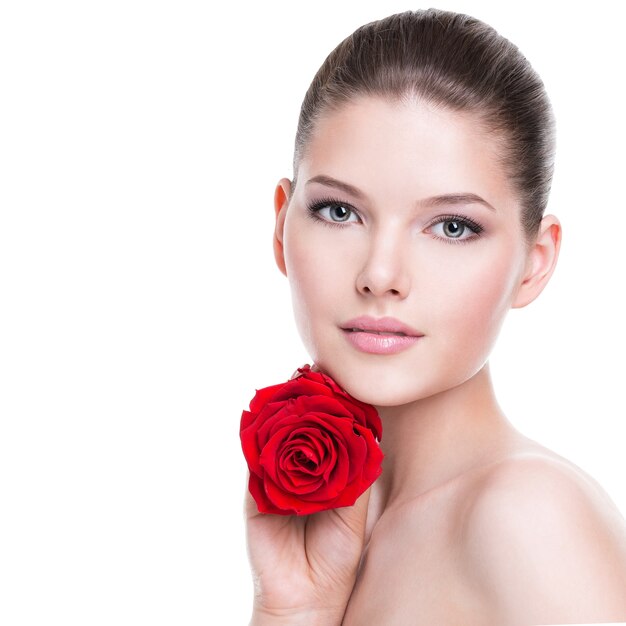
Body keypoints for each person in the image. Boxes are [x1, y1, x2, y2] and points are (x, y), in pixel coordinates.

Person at [245, 9, 626, 625]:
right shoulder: (341, 540)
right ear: (282, 225)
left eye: (452, 226)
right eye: (341, 212)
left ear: (535, 262)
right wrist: (294, 610)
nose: (381, 273)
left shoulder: (527, 517)